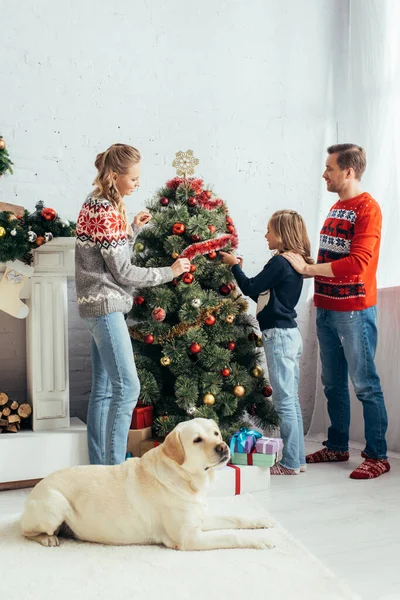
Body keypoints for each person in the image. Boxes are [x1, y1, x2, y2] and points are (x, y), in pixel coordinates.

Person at [75, 143, 190, 466]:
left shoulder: (96, 203)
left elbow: (109, 254)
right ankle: (114, 469)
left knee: (104, 390)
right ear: (115, 175)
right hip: (107, 305)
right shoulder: (107, 210)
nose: (138, 184)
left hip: (94, 304)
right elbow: (123, 272)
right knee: (127, 387)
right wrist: (171, 271)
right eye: (134, 178)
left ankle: (99, 467)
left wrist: (133, 230)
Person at [284, 144, 390, 480]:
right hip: (327, 307)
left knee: (365, 385)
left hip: (354, 311)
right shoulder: (337, 206)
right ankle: (337, 445)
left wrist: (308, 270)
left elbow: (358, 263)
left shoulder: (367, 208)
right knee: (332, 383)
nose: (324, 174)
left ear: (348, 171)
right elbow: (332, 258)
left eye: (329, 168)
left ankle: (378, 456)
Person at [220, 210, 313, 475]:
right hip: (290, 335)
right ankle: (298, 459)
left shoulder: (280, 263)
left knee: (284, 403)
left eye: (269, 231)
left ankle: (290, 463)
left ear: (282, 234)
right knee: (291, 401)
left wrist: (234, 266)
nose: (265, 235)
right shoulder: (294, 262)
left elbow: (251, 288)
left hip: (279, 335)